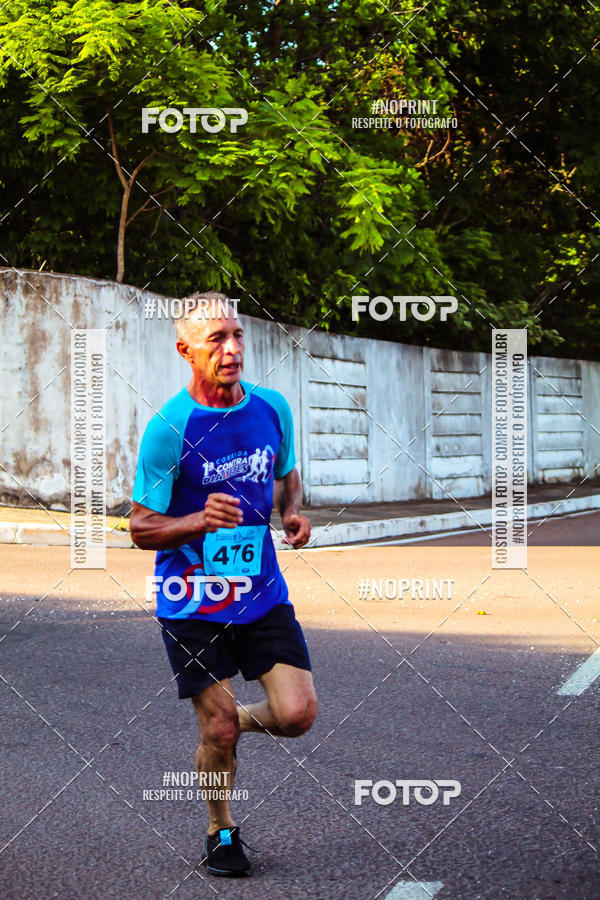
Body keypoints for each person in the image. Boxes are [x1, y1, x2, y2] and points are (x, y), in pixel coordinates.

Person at [129, 291, 317, 878]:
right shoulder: (168, 429)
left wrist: (292, 512)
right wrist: (195, 520)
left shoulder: (272, 408)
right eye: (217, 339)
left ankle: (233, 724)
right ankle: (220, 830)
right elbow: (139, 526)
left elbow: (285, 473)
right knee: (217, 726)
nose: (232, 348)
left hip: (260, 592)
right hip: (192, 601)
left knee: (298, 715)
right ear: (186, 349)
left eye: (237, 336)